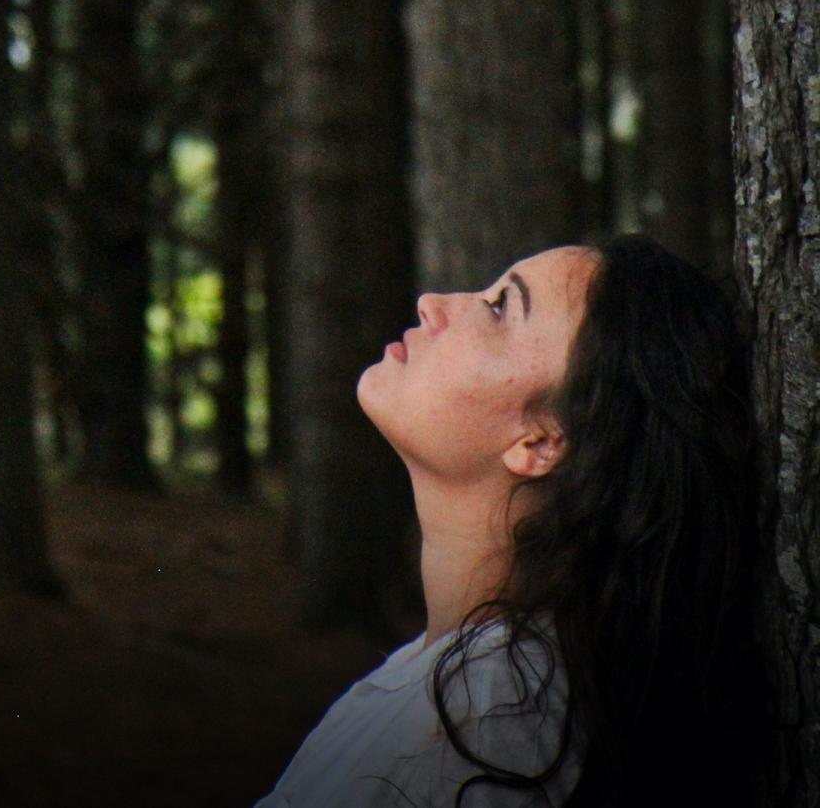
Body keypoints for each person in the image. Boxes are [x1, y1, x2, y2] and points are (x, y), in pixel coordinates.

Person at [255, 235, 771, 807]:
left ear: (541, 441)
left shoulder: (494, 716)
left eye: (501, 307)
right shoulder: (464, 678)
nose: (432, 302)